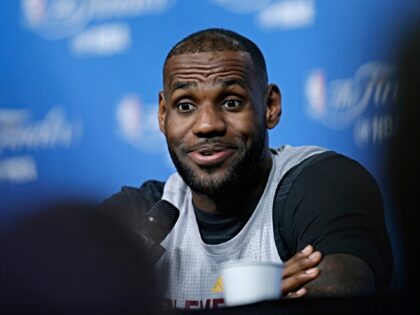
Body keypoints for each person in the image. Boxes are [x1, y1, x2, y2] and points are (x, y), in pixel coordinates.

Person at [102, 28, 393, 310]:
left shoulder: (322, 185)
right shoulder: (140, 214)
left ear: (270, 106)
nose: (207, 125)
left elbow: (342, 295)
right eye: (186, 106)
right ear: (163, 115)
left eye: (231, 102)